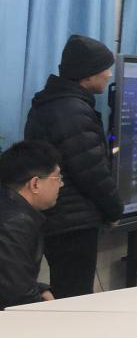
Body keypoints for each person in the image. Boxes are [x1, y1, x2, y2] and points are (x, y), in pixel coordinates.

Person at [24, 34, 123, 298]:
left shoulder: (55, 103)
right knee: (75, 297)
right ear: (87, 74)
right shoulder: (71, 110)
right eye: (104, 69)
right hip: (71, 224)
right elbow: (92, 172)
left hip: (61, 219)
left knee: (69, 294)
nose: (109, 75)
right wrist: (114, 209)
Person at [0, 141, 62, 309]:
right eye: (57, 178)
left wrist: (40, 289)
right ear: (35, 184)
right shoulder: (15, 223)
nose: (61, 184)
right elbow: (17, 297)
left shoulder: (10, 209)